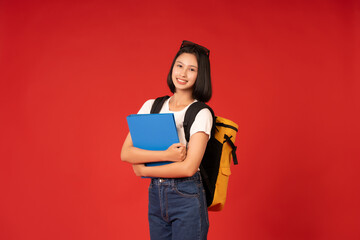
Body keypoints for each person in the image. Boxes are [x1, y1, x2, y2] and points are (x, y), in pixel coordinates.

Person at [121, 40, 213, 240]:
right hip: (156, 195)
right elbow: (126, 152)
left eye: (191, 69)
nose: (182, 73)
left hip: (187, 195)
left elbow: (189, 168)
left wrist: (144, 169)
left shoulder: (201, 113)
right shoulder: (151, 105)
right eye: (179, 66)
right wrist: (167, 155)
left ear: (201, 75)